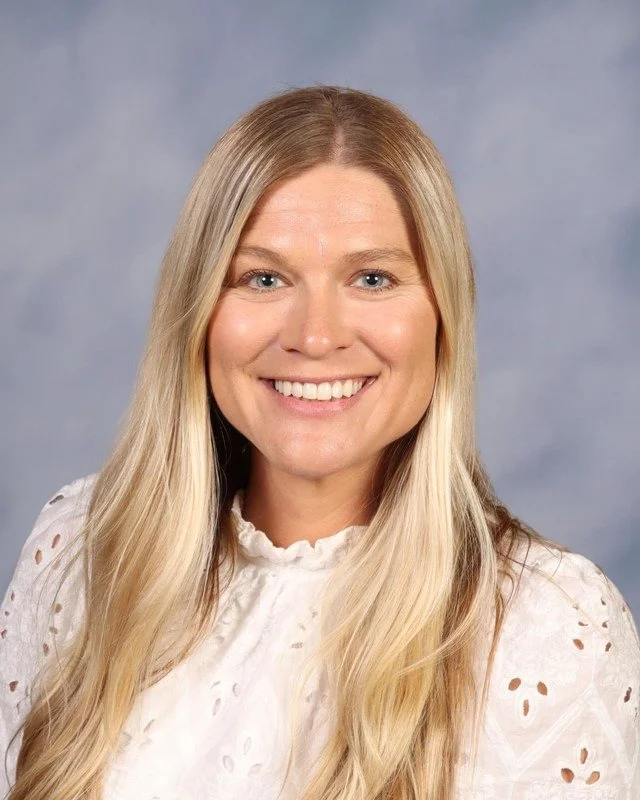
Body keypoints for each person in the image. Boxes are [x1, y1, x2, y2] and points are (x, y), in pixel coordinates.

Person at [1, 86, 639, 800]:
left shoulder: (546, 626)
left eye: (372, 278)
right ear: (199, 311)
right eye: (264, 278)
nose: (314, 335)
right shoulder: (79, 548)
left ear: (442, 317)